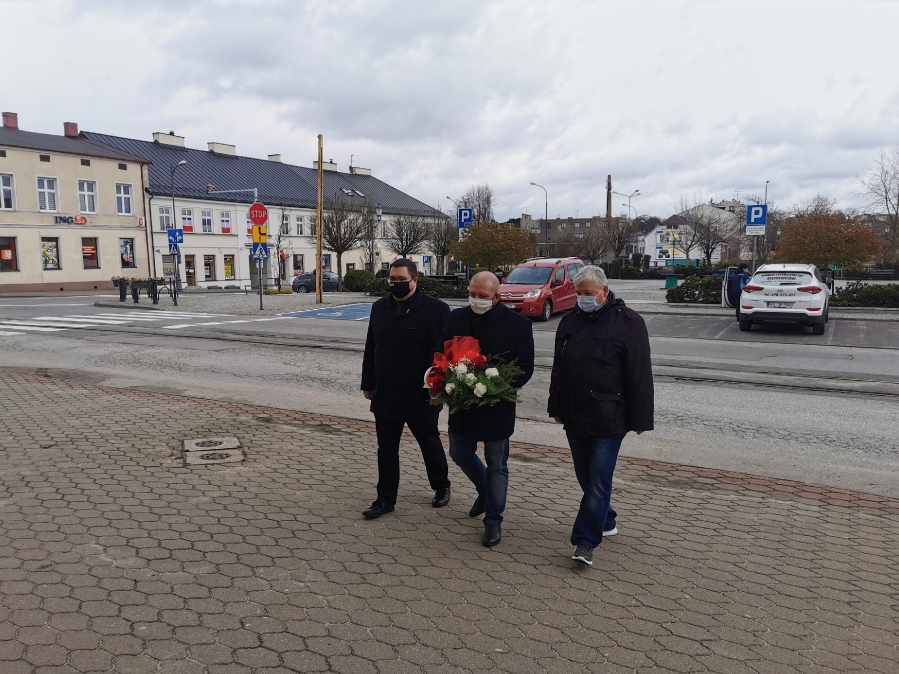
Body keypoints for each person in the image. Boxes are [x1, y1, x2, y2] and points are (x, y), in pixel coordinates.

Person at [547, 266, 653, 566]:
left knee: (598, 480)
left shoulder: (628, 322)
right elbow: (559, 368)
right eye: (579, 293)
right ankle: (606, 519)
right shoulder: (569, 320)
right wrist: (556, 407)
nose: (583, 298)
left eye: (589, 293)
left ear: (604, 291)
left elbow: (639, 374)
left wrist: (640, 418)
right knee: (586, 476)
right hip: (574, 414)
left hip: (610, 416)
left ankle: (585, 542)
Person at [439, 271, 534, 547]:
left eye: (483, 296)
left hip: (496, 406)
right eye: (472, 294)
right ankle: (484, 490)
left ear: (497, 297)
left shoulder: (517, 324)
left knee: (497, 465)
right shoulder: (456, 318)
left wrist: (494, 386)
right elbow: (441, 353)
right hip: (462, 405)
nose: (476, 299)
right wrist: (445, 382)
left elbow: (524, 367)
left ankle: (493, 520)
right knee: (459, 453)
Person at [360, 259, 452, 519]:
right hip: (386, 392)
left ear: (415, 280)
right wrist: (368, 383)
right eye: (392, 280)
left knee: (429, 443)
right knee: (386, 449)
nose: (396, 284)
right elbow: (371, 347)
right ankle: (385, 499)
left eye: (402, 280)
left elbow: (443, 355)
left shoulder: (436, 310)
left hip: (421, 394)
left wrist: (438, 390)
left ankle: (441, 486)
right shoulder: (380, 307)